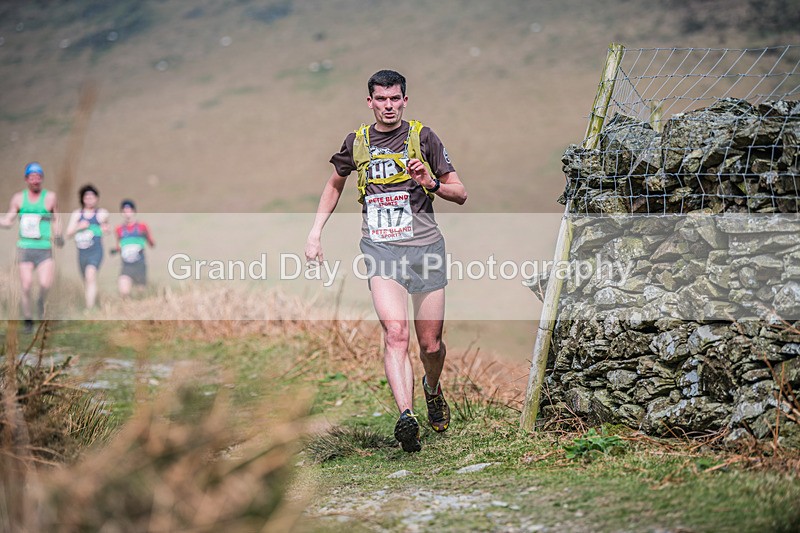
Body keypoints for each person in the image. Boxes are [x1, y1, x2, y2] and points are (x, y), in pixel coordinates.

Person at [305, 70, 467, 452]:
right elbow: (334, 183)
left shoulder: (424, 137)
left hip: (425, 250)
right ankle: (406, 416)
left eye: (395, 99)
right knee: (396, 333)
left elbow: (460, 193)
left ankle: (431, 388)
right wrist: (315, 233)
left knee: (430, 345)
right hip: (381, 250)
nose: (389, 106)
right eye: (382, 99)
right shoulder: (357, 141)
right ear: (370, 102)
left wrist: (430, 183)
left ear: (405, 101)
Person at [0, 162, 63, 333]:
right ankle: (28, 320)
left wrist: (58, 234)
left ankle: (40, 303)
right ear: (26, 179)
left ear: (41, 179)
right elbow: (8, 220)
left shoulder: (50, 197)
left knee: (45, 284)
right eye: (32, 177)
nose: (35, 180)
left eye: (38, 177)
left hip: (44, 247)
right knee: (26, 285)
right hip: (25, 247)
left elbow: (57, 218)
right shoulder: (18, 199)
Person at [65, 184, 110, 309]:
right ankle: (91, 303)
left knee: (90, 276)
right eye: (87, 196)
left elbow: (106, 226)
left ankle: (89, 309)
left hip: (95, 251)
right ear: (82, 198)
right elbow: (68, 233)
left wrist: (104, 225)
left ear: (96, 198)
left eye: (92, 196)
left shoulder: (101, 213)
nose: (89, 199)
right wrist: (79, 227)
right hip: (81, 252)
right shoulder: (77, 214)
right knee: (86, 280)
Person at [113, 199, 154, 298]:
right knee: (124, 291)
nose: (127, 214)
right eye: (124, 211)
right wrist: (116, 250)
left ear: (134, 211)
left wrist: (145, 237)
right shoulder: (119, 229)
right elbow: (118, 245)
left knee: (141, 293)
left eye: (129, 210)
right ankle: (126, 309)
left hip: (139, 264)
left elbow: (151, 243)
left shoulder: (142, 226)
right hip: (126, 265)